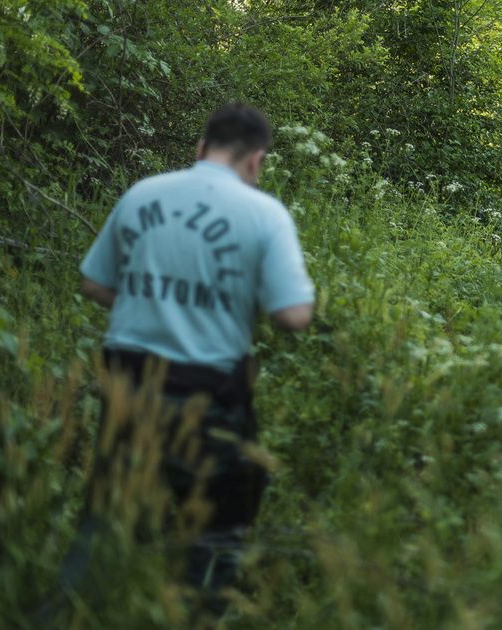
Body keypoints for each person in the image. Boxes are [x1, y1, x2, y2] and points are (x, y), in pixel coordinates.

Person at [59, 103, 314, 615]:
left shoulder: (142, 194)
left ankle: (64, 612)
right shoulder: (264, 214)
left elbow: (93, 282)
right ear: (256, 161)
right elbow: (293, 315)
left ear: (200, 148)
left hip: (126, 383)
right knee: (217, 533)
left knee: (105, 518)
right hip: (209, 396)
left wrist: (152, 302)